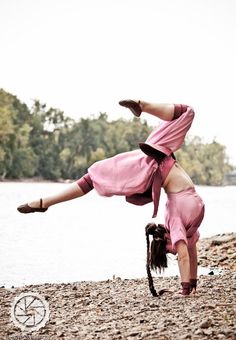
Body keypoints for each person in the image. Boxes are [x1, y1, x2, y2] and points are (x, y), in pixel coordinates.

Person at [17, 100, 205, 297]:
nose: (174, 250)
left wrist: (189, 286)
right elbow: (187, 254)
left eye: (169, 251)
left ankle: (44, 202)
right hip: (151, 161)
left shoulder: (177, 221)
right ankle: (44, 203)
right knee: (186, 113)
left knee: (93, 178)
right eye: (172, 251)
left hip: (155, 160)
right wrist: (187, 288)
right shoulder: (176, 222)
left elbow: (188, 253)